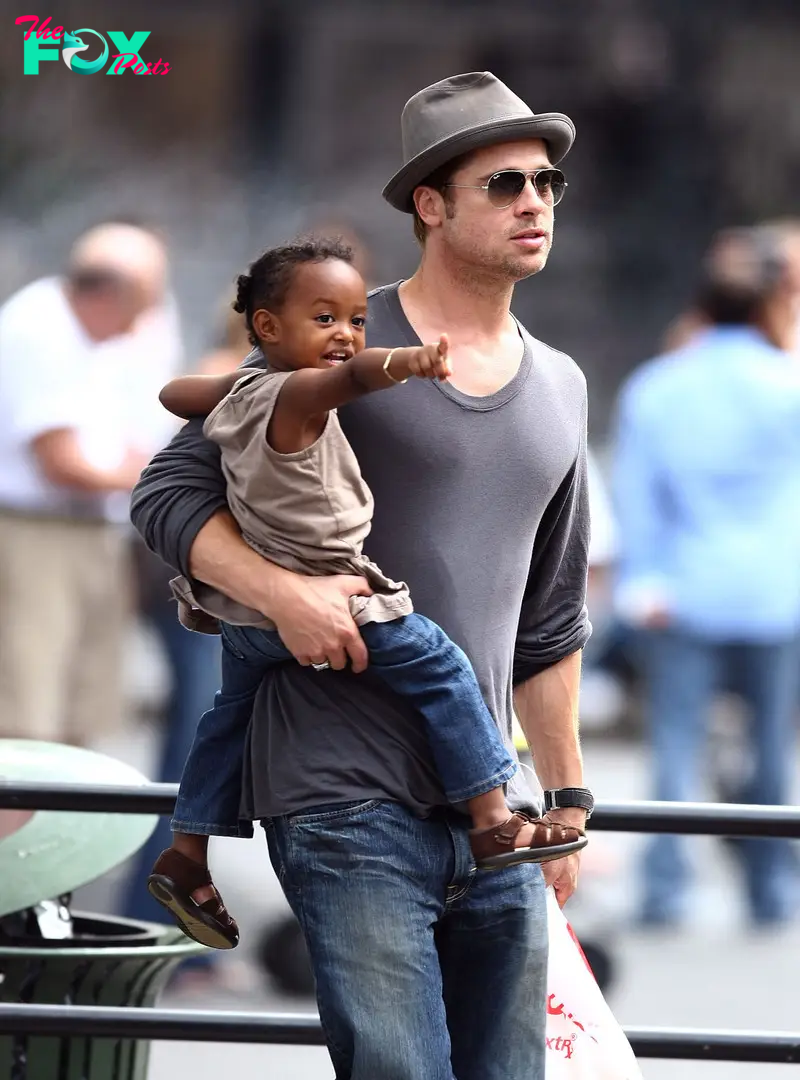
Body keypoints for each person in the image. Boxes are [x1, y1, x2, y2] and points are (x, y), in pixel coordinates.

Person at [132, 71, 593, 1080]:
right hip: (341, 792)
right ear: (430, 205)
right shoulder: (333, 337)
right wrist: (280, 593)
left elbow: (550, 622)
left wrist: (564, 797)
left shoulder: (559, 383)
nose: (533, 203)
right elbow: (161, 500)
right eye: (503, 184)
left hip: (496, 810)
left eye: (546, 184)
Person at [146, 238, 588, 949]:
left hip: (246, 617)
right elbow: (348, 381)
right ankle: (492, 819)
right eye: (326, 319)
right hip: (331, 594)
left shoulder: (249, 390)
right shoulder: (302, 388)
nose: (349, 336)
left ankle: (186, 850)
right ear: (267, 328)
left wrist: (235, 382)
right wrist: (405, 361)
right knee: (443, 668)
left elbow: (174, 395)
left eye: (355, 320)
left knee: (228, 717)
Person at [613, 226, 800, 927]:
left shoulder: (657, 388)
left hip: (681, 591)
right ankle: (773, 891)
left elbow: (639, 493)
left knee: (674, 748)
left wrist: (644, 580)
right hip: (775, 594)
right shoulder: (790, 386)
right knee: (772, 752)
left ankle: (664, 889)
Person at [0, 223, 165, 745]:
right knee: (27, 713)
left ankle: (62, 827)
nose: (136, 327)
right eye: (138, 308)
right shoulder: (39, 327)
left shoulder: (93, 338)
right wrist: (152, 478)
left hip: (92, 530)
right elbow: (61, 461)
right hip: (38, 535)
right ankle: (21, 827)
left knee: (86, 710)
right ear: (110, 294)